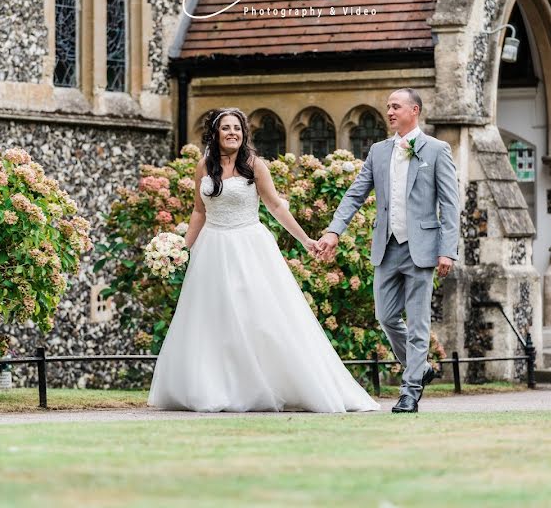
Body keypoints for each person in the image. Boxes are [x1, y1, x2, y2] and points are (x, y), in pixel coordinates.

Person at [148, 108, 379, 412]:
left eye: (238, 128)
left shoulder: (254, 165)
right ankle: (215, 387)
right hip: (212, 249)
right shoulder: (204, 166)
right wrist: (182, 248)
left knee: (258, 316)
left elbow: (276, 207)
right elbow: (199, 212)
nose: (233, 133)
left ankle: (272, 385)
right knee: (211, 318)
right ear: (215, 133)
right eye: (226, 128)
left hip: (249, 247)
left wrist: (306, 240)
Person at [317, 88, 460, 413]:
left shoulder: (437, 150)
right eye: (388, 107)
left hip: (423, 249)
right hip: (386, 247)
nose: (390, 112)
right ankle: (419, 367)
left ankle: (410, 392)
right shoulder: (379, 151)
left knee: (418, 321)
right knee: (385, 316)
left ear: (415, 110)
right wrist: (334, 231)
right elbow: (356, 193)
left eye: (396, 107)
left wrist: (447, 250)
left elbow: (450, 204)